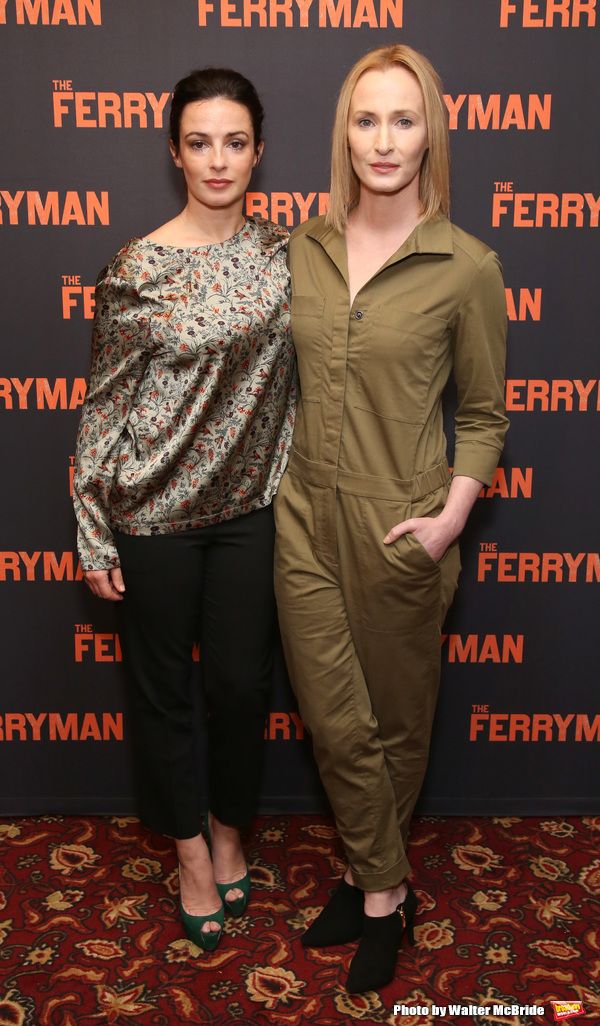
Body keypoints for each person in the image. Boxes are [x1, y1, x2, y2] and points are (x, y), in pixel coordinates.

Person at [274, 44, 508, 993]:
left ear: (429, 136)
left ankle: (365, 884)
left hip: (403, 527)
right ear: (344, 134)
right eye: (366, 119)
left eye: (403, 120)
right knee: (335, 723)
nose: (383, 139)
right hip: (302, 519)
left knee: (397, 726)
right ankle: (386, 890)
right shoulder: (302, 248)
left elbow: (483, 416)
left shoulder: (468, 266)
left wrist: (450, 520)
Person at [73, 68, 296, 952]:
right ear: (174, 152)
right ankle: (191, 854)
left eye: (235, 142)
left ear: (259, 151)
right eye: (199, 142)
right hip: (152, 514)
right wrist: (94, 527)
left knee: (241, 688)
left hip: (251, 511)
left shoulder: (287, 257)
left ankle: (230, 828)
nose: (218, 160)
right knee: (162, 695)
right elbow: (105, 406)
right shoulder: (137, 268)